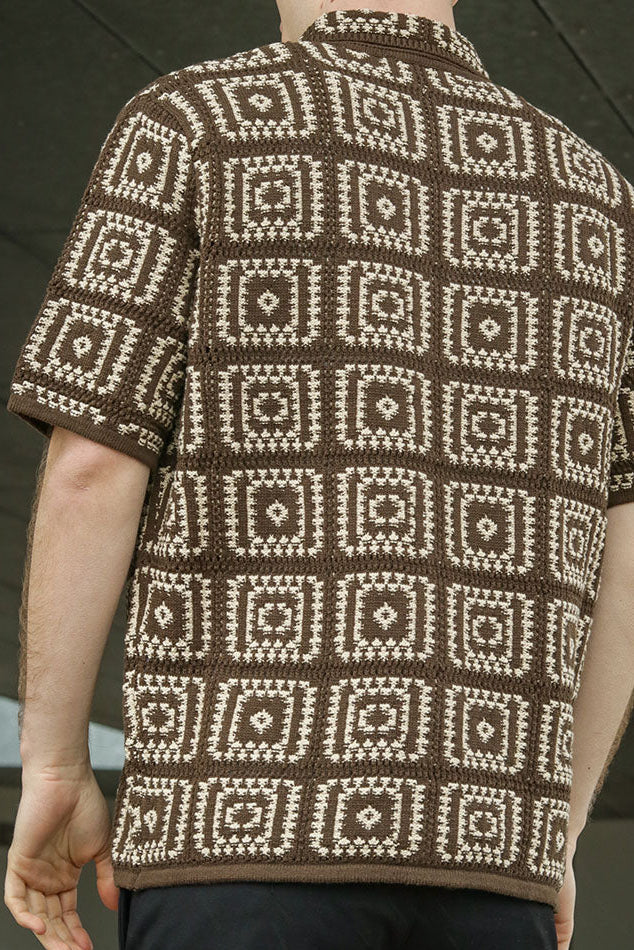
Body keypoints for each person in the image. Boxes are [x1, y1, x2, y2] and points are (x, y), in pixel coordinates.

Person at [4, 1, 634, 948]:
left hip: (236, 838)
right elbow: (625, 552)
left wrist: (55, 767)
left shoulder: (198, 123)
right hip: (494, 867)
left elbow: (92, 465)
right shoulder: (598, 198)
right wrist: (556, 830)